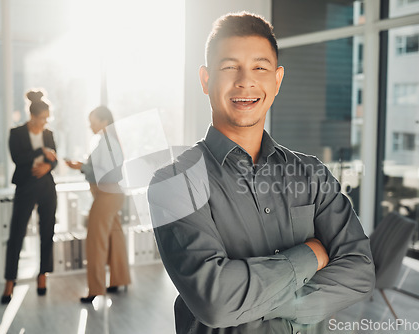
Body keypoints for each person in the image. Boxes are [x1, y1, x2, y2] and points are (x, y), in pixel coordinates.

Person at [148, 12, 375, 334]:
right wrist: (312, 254)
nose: (245, 81)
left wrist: (250, 303)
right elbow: (216, 303)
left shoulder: (313, 175)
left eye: (260, 68)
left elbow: (361, 271)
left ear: (277, 80)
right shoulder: (174, 183)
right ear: (205, 79)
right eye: (229, 67)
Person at [66, 106, 131, 303]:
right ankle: (119, 279)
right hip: (111, 194)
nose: (90, 125)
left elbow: (106, 173)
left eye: (92, 121)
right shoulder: (108, 141)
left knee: (95, 241)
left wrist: (81, 167)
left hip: (106, 195)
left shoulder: (107, 143)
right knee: (115, 237)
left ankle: (95, 289)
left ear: (103, 122)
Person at [1, 90, 58, 304]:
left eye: (47, 118)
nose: (45, 122)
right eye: (42, 118)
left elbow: (55, 159)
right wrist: (40, 151)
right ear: (33, 116)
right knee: (16, 234)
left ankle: (43, 276)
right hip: (25, 186)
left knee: (47, 232)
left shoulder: (49, 133)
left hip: (46, 186)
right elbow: (18, 159)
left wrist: (48, 166)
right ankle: (10, 281)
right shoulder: (16, 133)